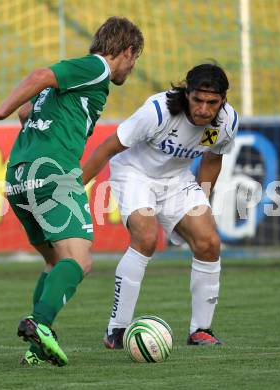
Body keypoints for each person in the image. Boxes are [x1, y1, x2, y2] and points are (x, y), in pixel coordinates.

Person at [0, 16, 144, 366]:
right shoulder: (97, 67)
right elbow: (40, 76)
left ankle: (36, 348)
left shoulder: (73, 85)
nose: (132, 68)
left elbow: (28, 111)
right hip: (53, 171)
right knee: (79, 260)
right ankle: (40, 324)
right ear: (126, 51)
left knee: (54, 261)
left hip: (19, 175)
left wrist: (29, 120)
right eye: (134, 60)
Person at [82, 63, 239, 348]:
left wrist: (200, 203)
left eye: (212, 102)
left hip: (177, 181)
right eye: (198, 100)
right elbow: (108, 147)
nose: (204, 109)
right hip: (134, 174)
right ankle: (117, 330)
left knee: (209, 242)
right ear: (187, 93)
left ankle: (200, 330)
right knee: (146, 237)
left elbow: (213, 158)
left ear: (223, 100)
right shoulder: (157, 111)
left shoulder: (226, 122)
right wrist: (76, 187)